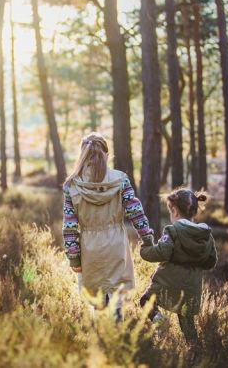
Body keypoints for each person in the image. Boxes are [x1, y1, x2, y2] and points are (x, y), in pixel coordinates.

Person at [62, 132, 153, 321]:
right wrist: (147, 238)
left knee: (97, 302)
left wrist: (74, 258)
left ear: (82, 155)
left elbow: (69, 228)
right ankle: (116, 336)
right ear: (107, 154)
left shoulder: (72, 185)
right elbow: (135, 211)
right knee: (116, 300)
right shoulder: (120, 179)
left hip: (90, 249)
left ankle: (100, 340)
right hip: (116, 245)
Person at [139, 188, 218, 344]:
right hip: (192, 286)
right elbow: (211, 261)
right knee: (187, 320)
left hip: (169, 282)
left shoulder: (173, 231)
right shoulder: (205, 235)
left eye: (170, 212)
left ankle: (159, 321)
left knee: (146, 301)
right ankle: (194, 348)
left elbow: (161, 253)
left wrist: (146, 245)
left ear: (174, 211)